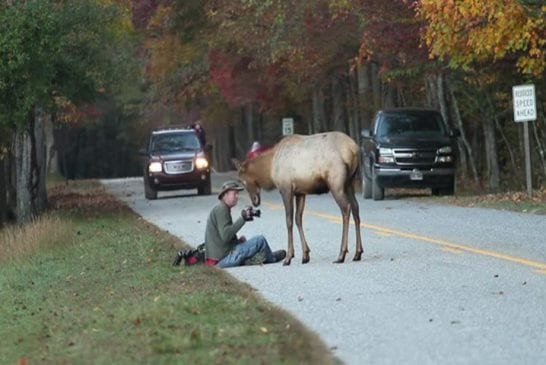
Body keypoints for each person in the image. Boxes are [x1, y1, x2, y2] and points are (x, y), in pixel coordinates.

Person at [204, 180, 286, 268]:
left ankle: (253, 258)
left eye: (237, 194)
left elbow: (224, 238)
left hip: (220, 258)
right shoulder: (221, 209)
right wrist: (242, 219)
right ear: (225, 195)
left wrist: (237, 242)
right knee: (260, 240)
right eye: (234, 193)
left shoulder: (220, 208)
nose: (237, 196)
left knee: (246, 244)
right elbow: (225, 236)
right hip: (223, 259)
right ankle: (271, 258)